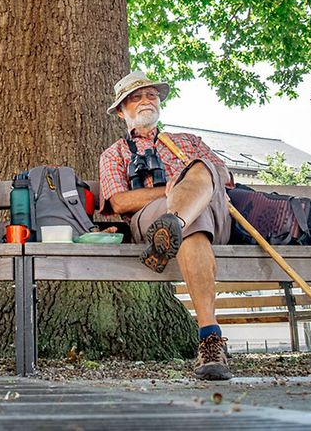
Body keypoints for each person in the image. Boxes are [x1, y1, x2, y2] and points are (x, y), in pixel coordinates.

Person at [99, 70, 234, 381]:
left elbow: (223, 175)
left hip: (214, 217)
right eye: (136, 97)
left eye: (151, 95)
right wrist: (170, 192)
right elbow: (119, 202)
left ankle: (173, 223)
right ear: (122, 110)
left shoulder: (188, 143)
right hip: (152, 220)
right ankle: (210, 339)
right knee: (192, 224)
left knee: (202, 169)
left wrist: (193, 180)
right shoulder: (114, 154)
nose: (147, 100)